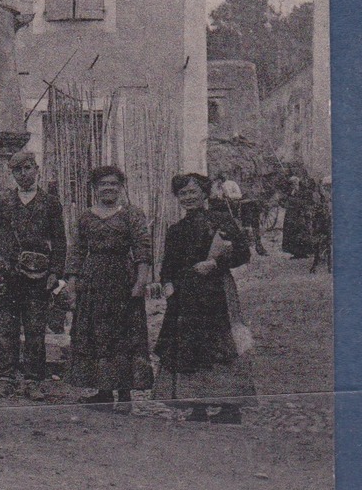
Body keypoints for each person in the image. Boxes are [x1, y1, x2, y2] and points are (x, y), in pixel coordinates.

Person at [154, 172, 254, 423]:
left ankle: (229, 407)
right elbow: (169, 265)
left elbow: (242, 253)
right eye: (183, 193)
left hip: (216, 291)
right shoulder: (176, 230)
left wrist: (216, 263)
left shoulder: (221, 221)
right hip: (186, 295)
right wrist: (167, 285)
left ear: (204, 193)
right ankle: (195, 404)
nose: (188, 197)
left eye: (192, 192)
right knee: (188, 345)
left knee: (220, 343)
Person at [62, 165, 154, 410]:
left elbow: (143, 250)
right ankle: (102, 392)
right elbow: (76, 252)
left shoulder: (132, 214)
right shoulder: (85, 217)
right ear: (95, 189)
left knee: (123, 336)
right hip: (93, 281)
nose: (108, 188)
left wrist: (140, 282)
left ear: (121, 187)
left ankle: (124, 395)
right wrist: (72, 285)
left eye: (113, 183)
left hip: (122, 280)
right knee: (96, 334)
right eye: (103, 184)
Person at [0, 151, 67, 400]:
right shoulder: (3, 201)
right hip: (8, 277)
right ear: (12, 174)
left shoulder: (50, 203)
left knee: (34, 329)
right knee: (6, 329)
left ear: (36, 168)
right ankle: (5, 378)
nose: (23, 174)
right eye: (18, 170)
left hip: (37, 278)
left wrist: (54, 272)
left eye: (28, 168)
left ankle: (34, 381)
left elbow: (60, 242)